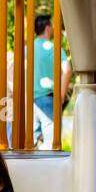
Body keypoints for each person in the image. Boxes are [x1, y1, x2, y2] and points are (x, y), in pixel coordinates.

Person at [32, 13, 72, 150]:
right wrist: (61, 96)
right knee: (51, 145)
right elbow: (67, 70)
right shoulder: (54, 49)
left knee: (29, 144)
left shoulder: (27, 49)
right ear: (48, 28)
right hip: (48, 99)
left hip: (28, 102)